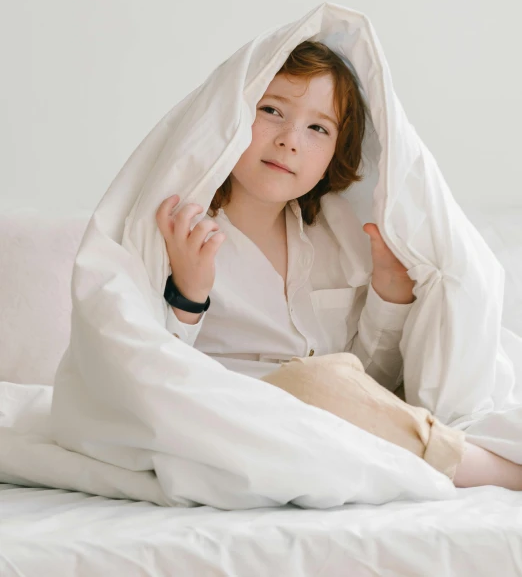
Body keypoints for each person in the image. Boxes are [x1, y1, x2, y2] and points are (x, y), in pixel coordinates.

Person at [156, 40, 522, 491]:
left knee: (334, 382)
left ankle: (456, 452)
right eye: (271, 110)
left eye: (318, 128)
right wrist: (188, 296)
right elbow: (147, 367)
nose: (290, 139)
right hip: (239, 423)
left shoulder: (332, 240)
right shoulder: (185, 228)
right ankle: (491, 470)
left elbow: (369, 381)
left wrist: (389, 294)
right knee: (315, 384)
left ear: (335, 155)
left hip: (333, 431)